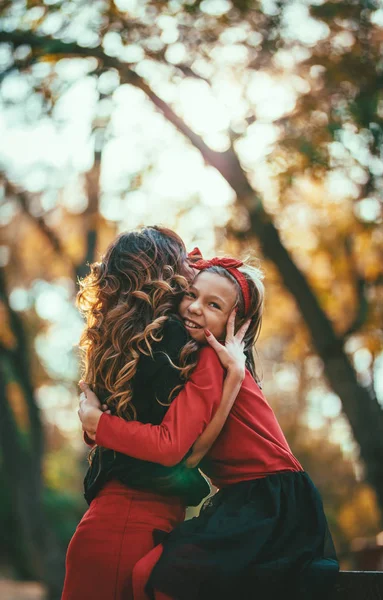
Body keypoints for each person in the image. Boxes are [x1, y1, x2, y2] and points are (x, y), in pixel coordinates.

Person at [79, 256, 340, 600]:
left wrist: (102, 426)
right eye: (191, 294)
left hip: (269, 502)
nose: (195, 308)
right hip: (242, 499)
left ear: (237, 321)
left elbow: (176, 451)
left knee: (159, 577)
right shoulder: (209, 360)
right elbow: (191, 451)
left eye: (213, 305)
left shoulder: (211, 360)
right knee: (151, 574)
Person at [62, 228, 248, 600]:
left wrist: (99, 426)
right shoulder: (177, 342)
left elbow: (97, 423)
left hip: (113, 526)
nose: (192, 271)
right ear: (168, 274)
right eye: (184, 265)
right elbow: (166, 444)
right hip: (129, 528)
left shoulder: (120, 340)